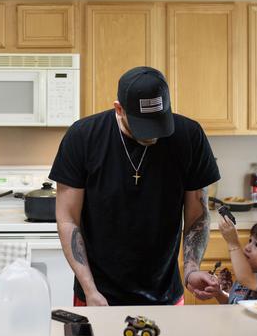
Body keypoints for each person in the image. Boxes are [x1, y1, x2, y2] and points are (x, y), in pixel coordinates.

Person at [49, 66, 221, 306]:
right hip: (97, 294)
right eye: (144, 125)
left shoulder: (189, 136)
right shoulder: (83, 137)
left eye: (158, 122)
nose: (153, 135)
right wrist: (90, 291)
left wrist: (191, 270)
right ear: (119, 108)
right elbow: (68, 219)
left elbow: (197, 217)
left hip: (165, 294)